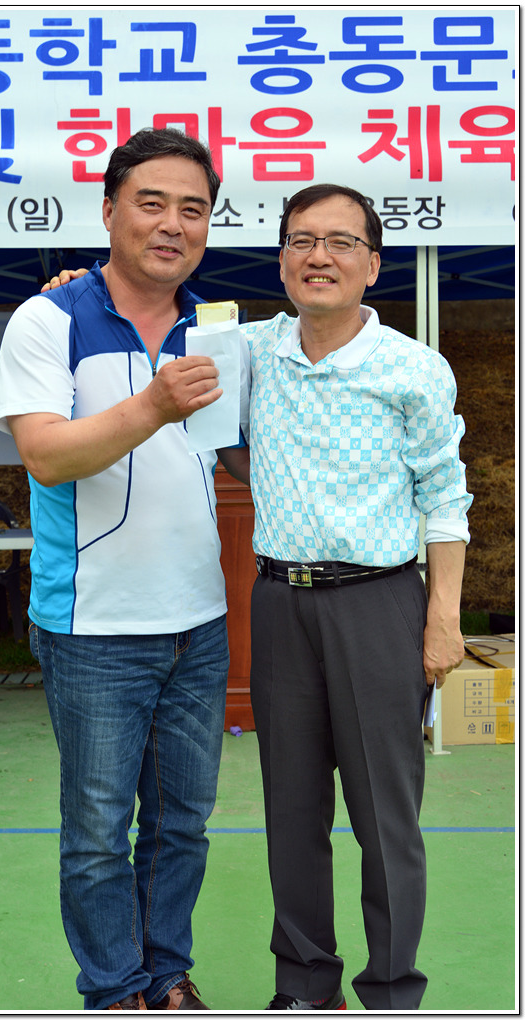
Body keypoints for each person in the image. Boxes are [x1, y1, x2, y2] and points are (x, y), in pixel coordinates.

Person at [0, 128, 243, 1011]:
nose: (173, 224)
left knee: (182, 825)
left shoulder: (216, 330)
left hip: (199, 623)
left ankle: (164, 974)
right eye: (152, 203)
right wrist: (152, 404)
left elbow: (235, 455)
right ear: (108, 211)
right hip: (92, 625)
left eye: (193, 209)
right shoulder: (47, 319)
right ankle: (113, 988)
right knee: (98, 833)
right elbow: (46, 456)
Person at [226, 184, 471, 1011]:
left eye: (339, 242)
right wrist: (74, 289)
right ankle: (304, 985)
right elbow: (153, 327)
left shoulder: (411, 367)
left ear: (371, 263)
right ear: (281, 260)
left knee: (383, 815)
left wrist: (441, 621)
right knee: (290, 810)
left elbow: (444, 498)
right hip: (279, 600)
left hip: (377, 603)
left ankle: (392, 988)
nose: (318, 257)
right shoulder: (250, 351)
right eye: (301, 240)